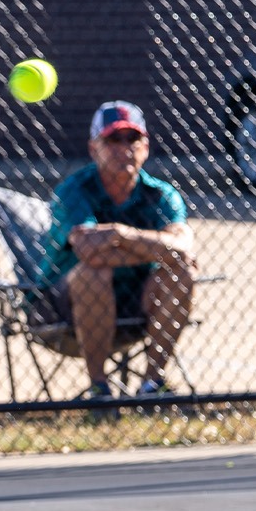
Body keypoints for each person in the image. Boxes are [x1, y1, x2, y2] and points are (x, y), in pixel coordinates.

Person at [39, 100, 195, 401]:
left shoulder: (161, 194)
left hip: (136, 302)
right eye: (112, 139)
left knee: (181, 272)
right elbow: (89, 252)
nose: (124, 147)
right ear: (93, 148)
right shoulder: (75, 190)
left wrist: (119, 234)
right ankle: (100, 389)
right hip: (62, 308)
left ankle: (152, 385)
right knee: (95, 273)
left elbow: (182, 248)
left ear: (146, 146)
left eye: (132, 138)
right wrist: (154, 248)